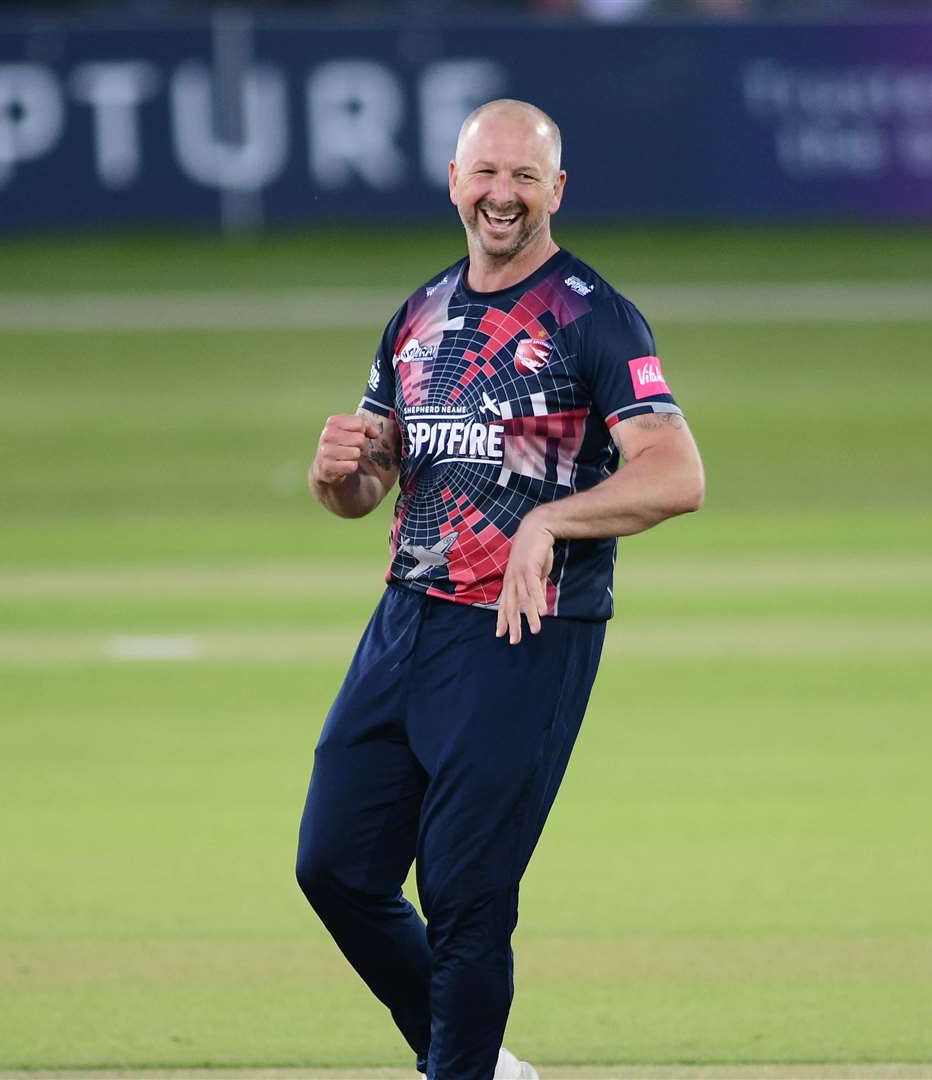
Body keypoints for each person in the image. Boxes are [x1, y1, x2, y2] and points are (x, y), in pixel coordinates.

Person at [295, 98, 705, 1080]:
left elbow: (675, 473)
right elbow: (370, 488)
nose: (501, 195)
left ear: (555, 191)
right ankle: (479, 1063)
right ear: (452, 181)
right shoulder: (420, 314)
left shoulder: (591, 317)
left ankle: (461, 1071)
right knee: (335, 867)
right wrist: (334, 476)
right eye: (485, 174)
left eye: (524, 177)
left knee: (466, 897)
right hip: (406, 621)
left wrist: (548, 521)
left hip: (523, 633)